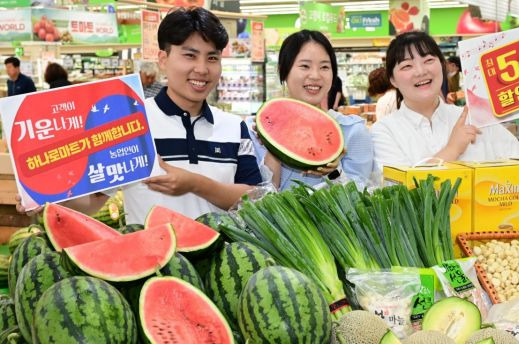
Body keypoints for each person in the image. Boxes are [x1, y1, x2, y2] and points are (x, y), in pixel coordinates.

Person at [16, 7, 262, 223]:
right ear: (163, 60)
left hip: (220, 269)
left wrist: (195, 184)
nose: (202, 69)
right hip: (151, 267)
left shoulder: (234, 127)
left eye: (212, 58)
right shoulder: (130, 122)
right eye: (190, 55)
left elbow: (255, 198)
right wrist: (49, 197)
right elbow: (93, 203)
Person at [371, 31, 519, 170]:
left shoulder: (474, 118)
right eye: (407, 66)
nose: (420, 71)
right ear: (393, 79)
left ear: (442, 66)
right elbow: (399, 193)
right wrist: (453, 149)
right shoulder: (384, 132)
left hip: (484, 243)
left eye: (429, 60)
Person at [251, 30, 373, 191]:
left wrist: (334, 172)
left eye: (324, 67)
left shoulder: (354, 131)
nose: (315, 75)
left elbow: (362, 200)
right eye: (304, 66)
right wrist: (274, 149)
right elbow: (259, 198)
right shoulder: (255, 131)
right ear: (283, 71)